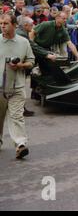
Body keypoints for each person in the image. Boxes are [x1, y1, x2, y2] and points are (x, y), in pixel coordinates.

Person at [0, 14, 35, 159]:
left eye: (6, 23)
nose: (2, 26)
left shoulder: (23, 42)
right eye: (1, 23)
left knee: (16, 116)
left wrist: (20, 65)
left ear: (14, 25)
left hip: (17, 87)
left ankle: (20, 144)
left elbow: (31, 61)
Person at [30, 12, 78, 84]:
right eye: (64, 18)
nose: (65, 20)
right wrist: (32, 44)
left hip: (46, 49)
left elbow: (70, 44)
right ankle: (65, 83)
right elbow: (32, 31)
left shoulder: (63, 30)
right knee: (31, 68)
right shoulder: (46, 24)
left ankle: (48, 86)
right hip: (37, 48)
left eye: (66, 19)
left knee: (48, 68)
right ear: (57, 18)